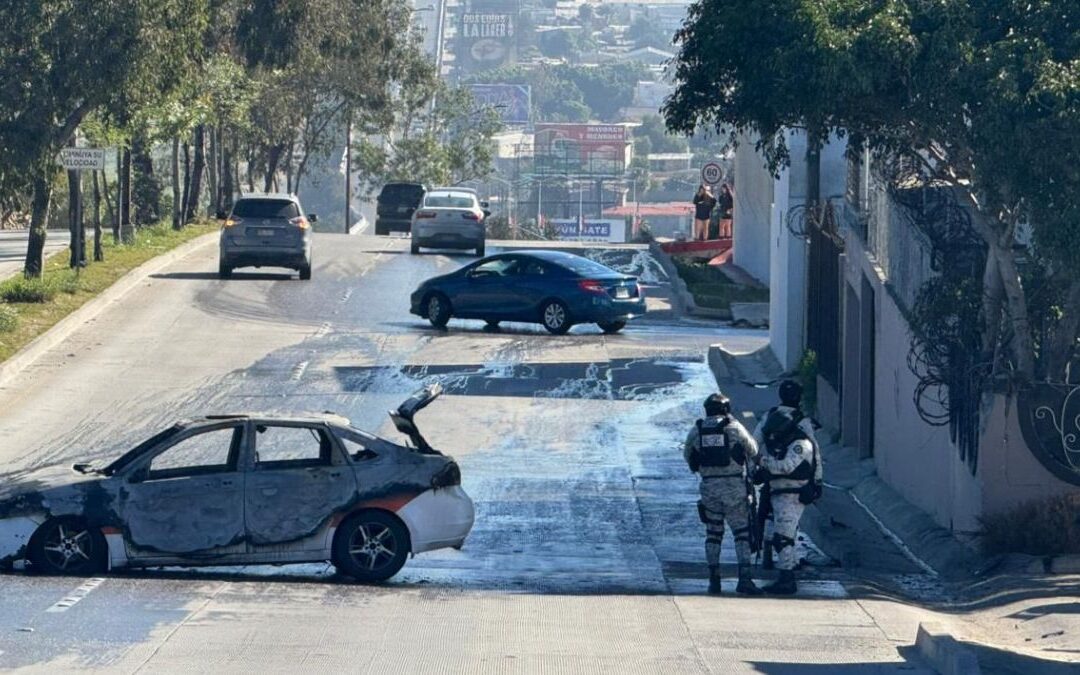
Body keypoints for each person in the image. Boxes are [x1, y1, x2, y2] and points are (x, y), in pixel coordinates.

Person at [684, 392, 764, 595]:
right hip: (734, 488)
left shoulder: (698, 430)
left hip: (709, 487)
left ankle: (714, 580)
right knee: (742, 534)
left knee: (713, 534)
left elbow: (688, 456)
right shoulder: (733, 427)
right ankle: (744, 579)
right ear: (726, 409)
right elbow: (753, 450)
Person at [753, 380, 823, 595]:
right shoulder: (803, 423)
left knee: (773, 524)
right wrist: (818, 481)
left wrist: (758, 466)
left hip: (774, 482)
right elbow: (815, 455)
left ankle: (783, 571)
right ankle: (787, 572)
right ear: (799, 397)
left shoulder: (769, 416)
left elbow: (754, 445)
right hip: (795, 485)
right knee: (786, 530)